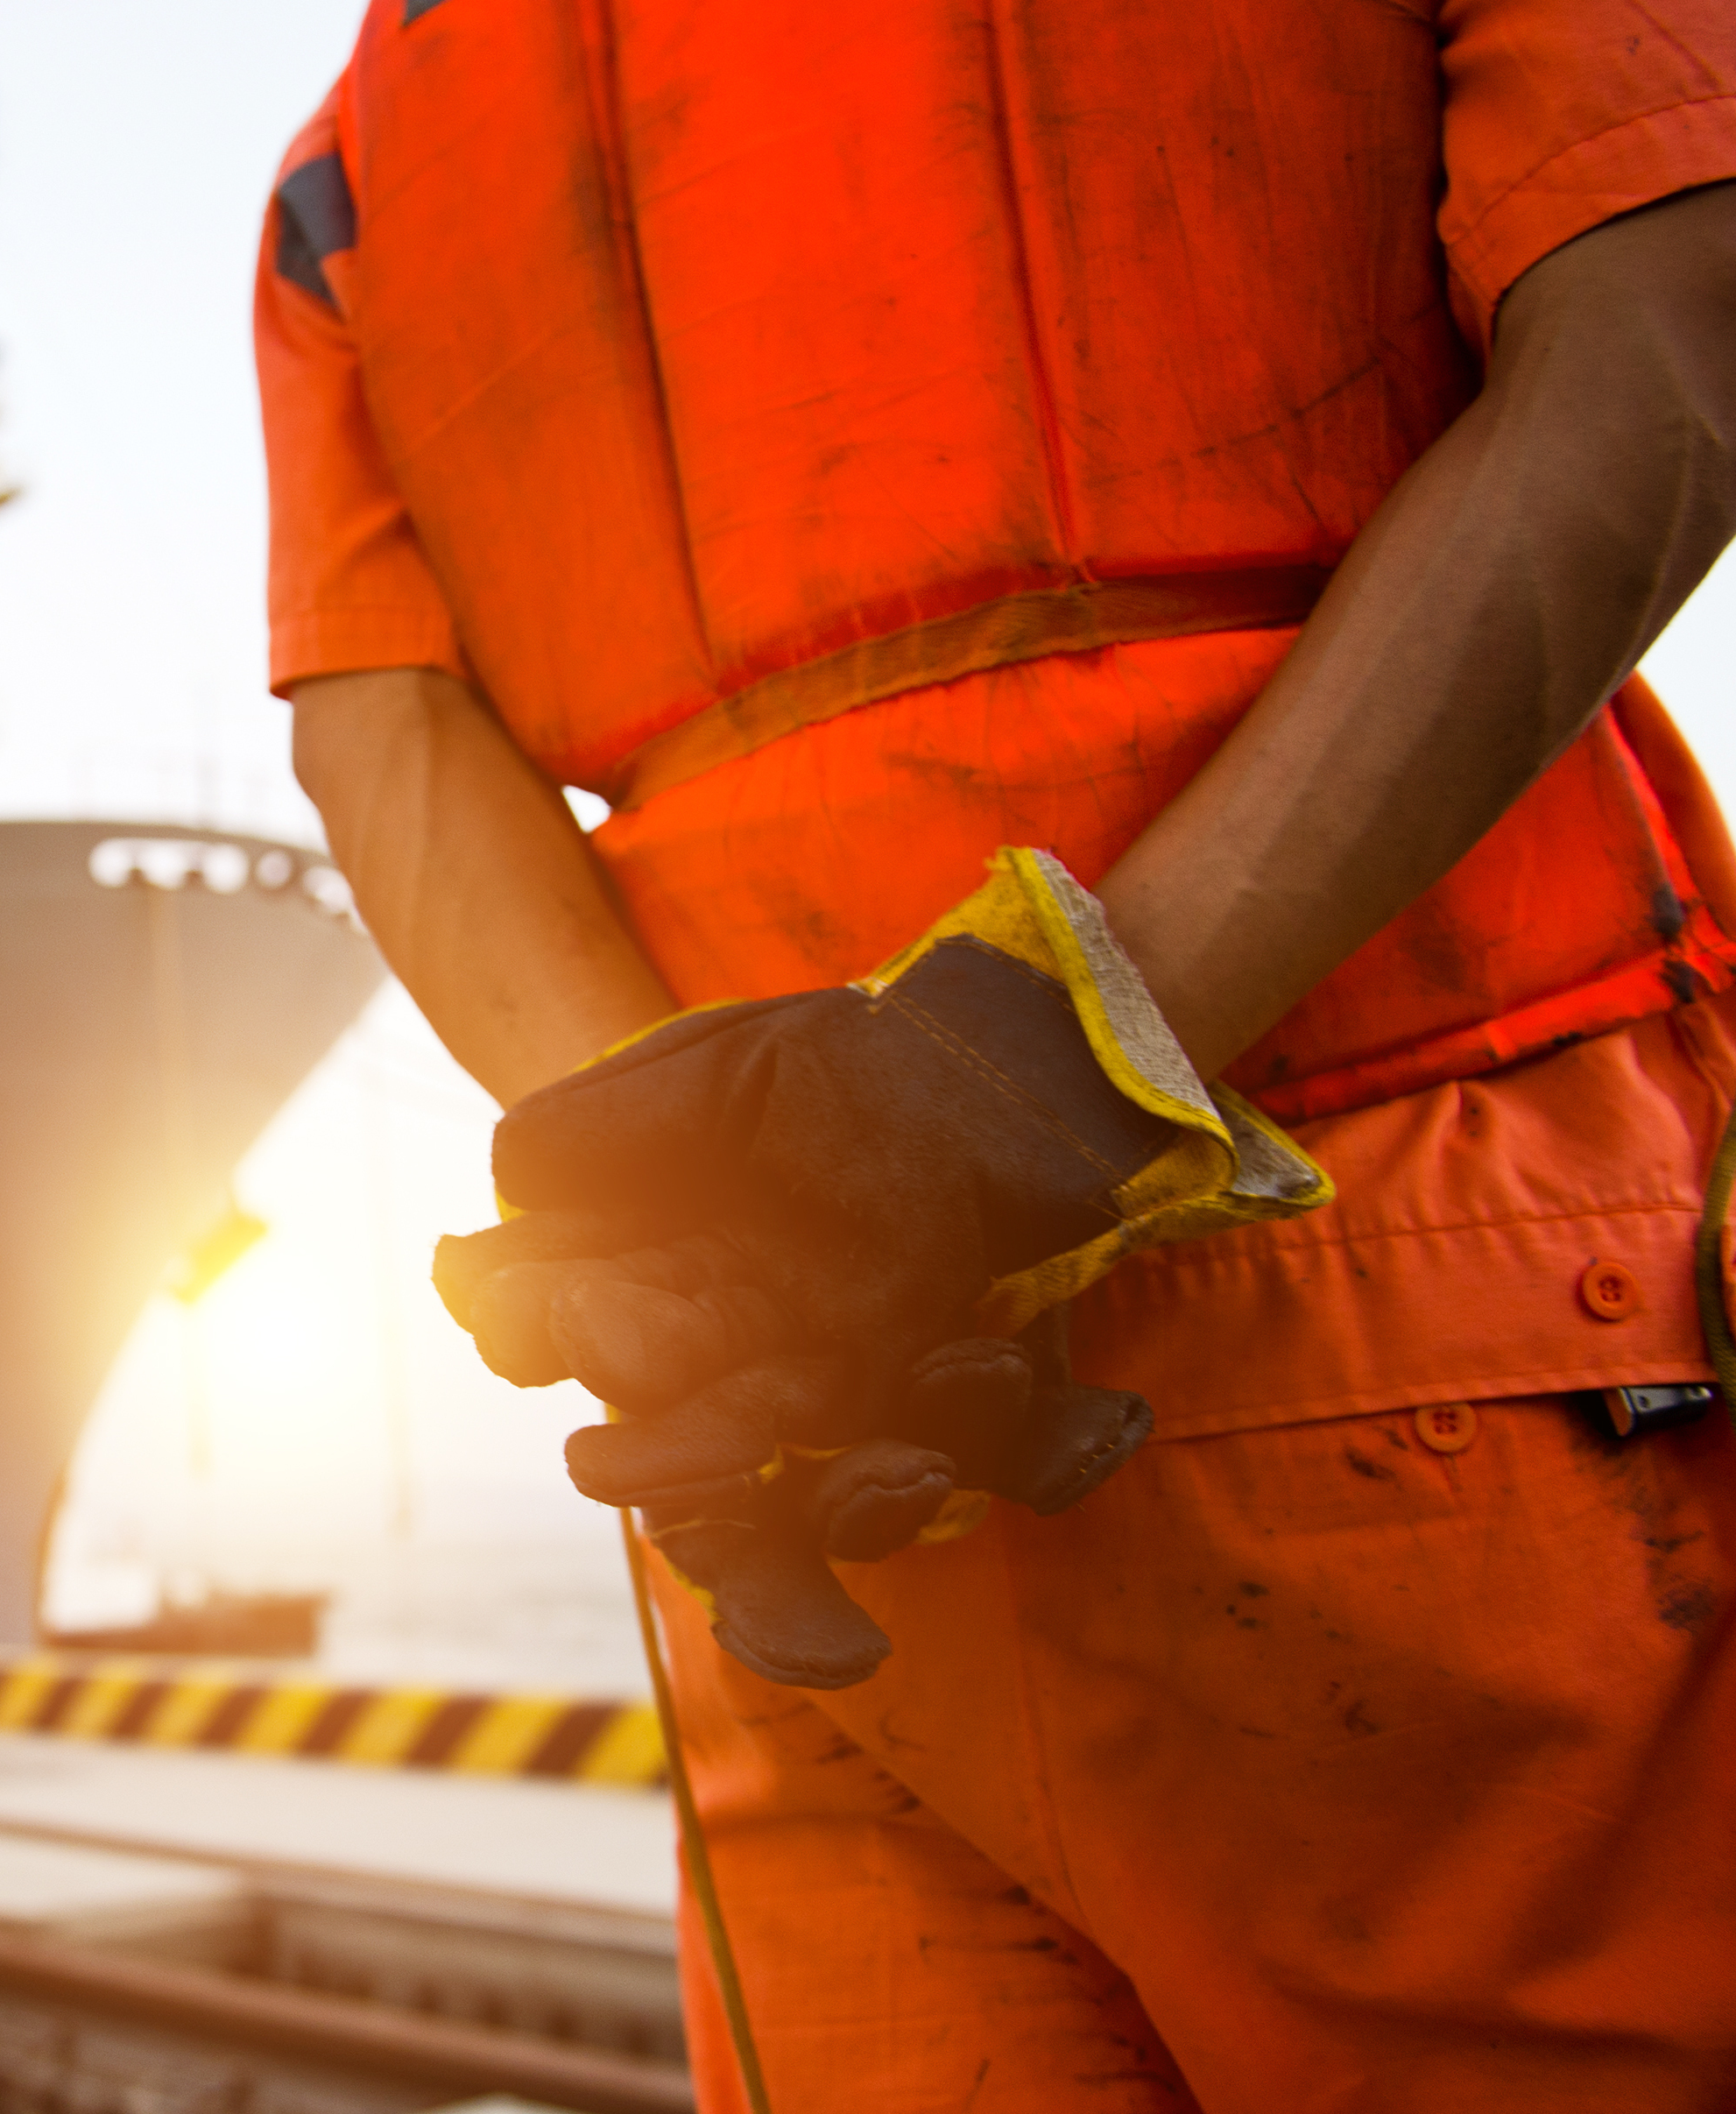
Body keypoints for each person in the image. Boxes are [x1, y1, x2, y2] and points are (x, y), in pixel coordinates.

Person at [258, 5, 1736, 2107]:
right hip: (1401, 1268)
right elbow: (1663, 331)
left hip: (794, 1435)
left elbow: (380, 725)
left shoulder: (360, 145)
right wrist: (1009, 1087)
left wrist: (736, 1249)